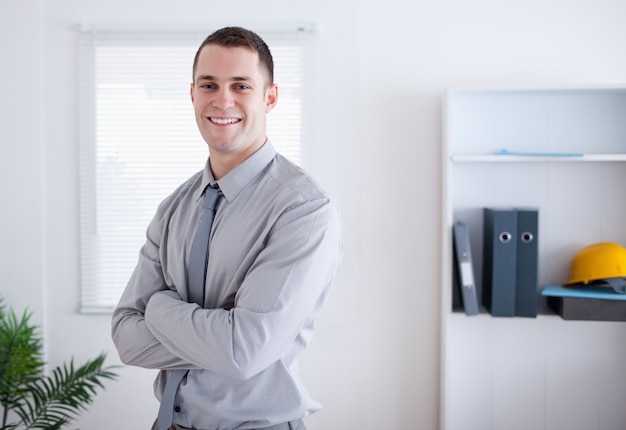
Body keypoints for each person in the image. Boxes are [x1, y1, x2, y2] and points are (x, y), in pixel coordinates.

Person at [111, 26, 343, 430]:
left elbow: (244, 352)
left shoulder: (303, 210)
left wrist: (161, 307)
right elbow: (127, 338)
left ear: (270, 98)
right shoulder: (174, 208)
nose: (223, 100)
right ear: (192, 94)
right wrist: (217, 333)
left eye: (241, 85)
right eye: (209, 84)